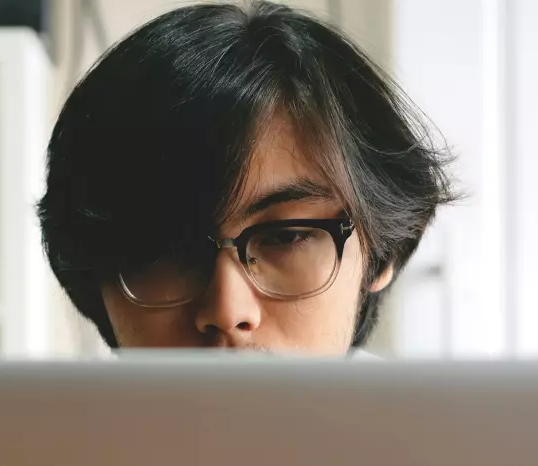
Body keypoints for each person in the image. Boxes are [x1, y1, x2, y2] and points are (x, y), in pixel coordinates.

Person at [37, 0, 456, 355]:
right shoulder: (16, 450)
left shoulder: (465, 450)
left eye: (286, 236)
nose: (227, 311)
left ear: (382, 256)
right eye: (165, 250)